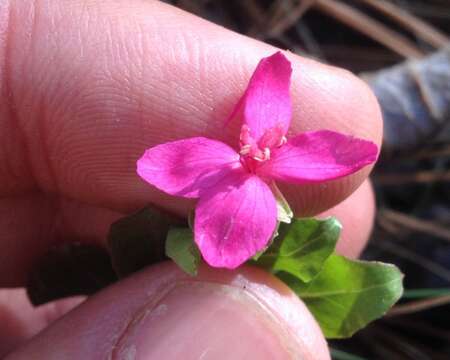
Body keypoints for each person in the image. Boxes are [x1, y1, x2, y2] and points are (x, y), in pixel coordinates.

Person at [0, 1, 382, 358]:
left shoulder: (261, 181)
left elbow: (277, 77)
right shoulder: (224, 166)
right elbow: (156, 167)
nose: (256, 149)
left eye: (262, 148)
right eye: (252, 146)